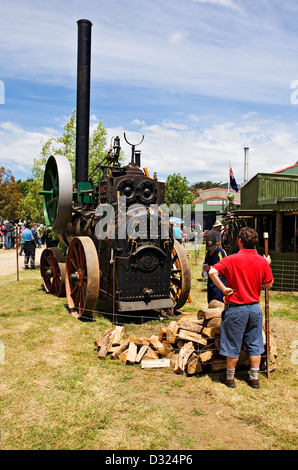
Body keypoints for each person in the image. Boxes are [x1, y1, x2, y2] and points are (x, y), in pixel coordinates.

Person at [209, 227, 274, 389]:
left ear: (239, 241)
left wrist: (224, 289)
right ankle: (254, 378)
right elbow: (268, 285)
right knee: (255, 343)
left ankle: (230, 378)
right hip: (254, 308)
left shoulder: (231, 259)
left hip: (236, 308)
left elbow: (212, 271)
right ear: (255, 243)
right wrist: (267, 265)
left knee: (232, 343)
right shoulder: (261, 261)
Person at [202, 233, 227, 303]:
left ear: (216, 244)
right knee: (210, 302)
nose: (211, 250)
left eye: (212, 248)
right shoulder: (208, 253)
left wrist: (211, 268)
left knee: (218, 303)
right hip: (210, 282)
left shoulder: (220, 252)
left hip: (219, 282)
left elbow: (224, 268)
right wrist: (204, 271)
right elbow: (206, 262)